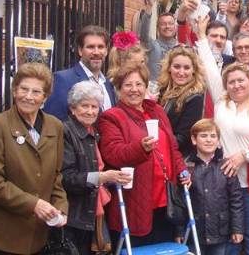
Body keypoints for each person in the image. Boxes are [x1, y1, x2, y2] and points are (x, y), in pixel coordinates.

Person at [198, 30, 249, 255]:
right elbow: (209, 67)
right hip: (223, 185)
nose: (236, 85)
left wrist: (245, 155)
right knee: (229, 242)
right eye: (231, 82)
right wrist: (200, 34)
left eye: (241, 80)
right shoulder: (221, 103)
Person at [0, 63, 68, 254]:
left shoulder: (55, 126)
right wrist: (34, 204)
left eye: (36, 92)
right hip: (4, 235)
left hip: (39, 234)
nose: (28, 96)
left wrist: (60, 207)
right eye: (23, 89)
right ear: (14, 90)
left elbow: (56, 177)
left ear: (45, 97)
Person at [98, 63, 190, 246]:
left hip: (165, 199)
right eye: (128, 85)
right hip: (135, 200)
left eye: (139, 84)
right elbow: (113, 154)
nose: (134, 90)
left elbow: (172, 147)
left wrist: (183, 171)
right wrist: (141, 148)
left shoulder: (156, 110)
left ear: (146, 87)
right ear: (118, 89)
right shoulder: (112, 117)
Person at [62, 81, 132, 255]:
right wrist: (103, 177)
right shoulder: (66, 131)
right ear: (73, 108)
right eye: (84, 106)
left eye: (94, 107)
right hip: (73, 215)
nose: (90, 111)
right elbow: (67, 178)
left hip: (90, 211)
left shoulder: (93, 132)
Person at [186, 119, 245, 255]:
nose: (209, 140)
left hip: (220, 231)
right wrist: (179, 230)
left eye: (213, 136)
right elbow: (181, 202)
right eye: (203, 136)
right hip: (195, 232)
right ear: (194, 140)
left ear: (218, 141)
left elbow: (236, 200)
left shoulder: (226, 166)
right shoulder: (187, 168)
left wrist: (237, 229)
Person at [44, 25, 117, 120]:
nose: (96, 52)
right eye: (90, 47)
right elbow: (54, 122)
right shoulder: (63, 80)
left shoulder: (108, 84)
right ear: (80, 50)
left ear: (106, 50)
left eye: (100, 47)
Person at [157, 46, 208, 157]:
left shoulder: (195, 98)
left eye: (186, 68)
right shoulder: (163, 90)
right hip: (160, 152)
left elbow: (184, 137)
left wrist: (156, 143)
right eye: (177, 67)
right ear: (169, 68)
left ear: (193, 70)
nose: (181, 72)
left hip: (177, 157)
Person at [138, 0, 179, 80]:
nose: (167, 26)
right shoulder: (152, 45)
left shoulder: (181, 47)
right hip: (155, 92)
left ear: (175, 27)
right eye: (163, 24)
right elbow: (143, 33)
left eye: (170, 23)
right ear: (157, 28)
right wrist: (149, 6)